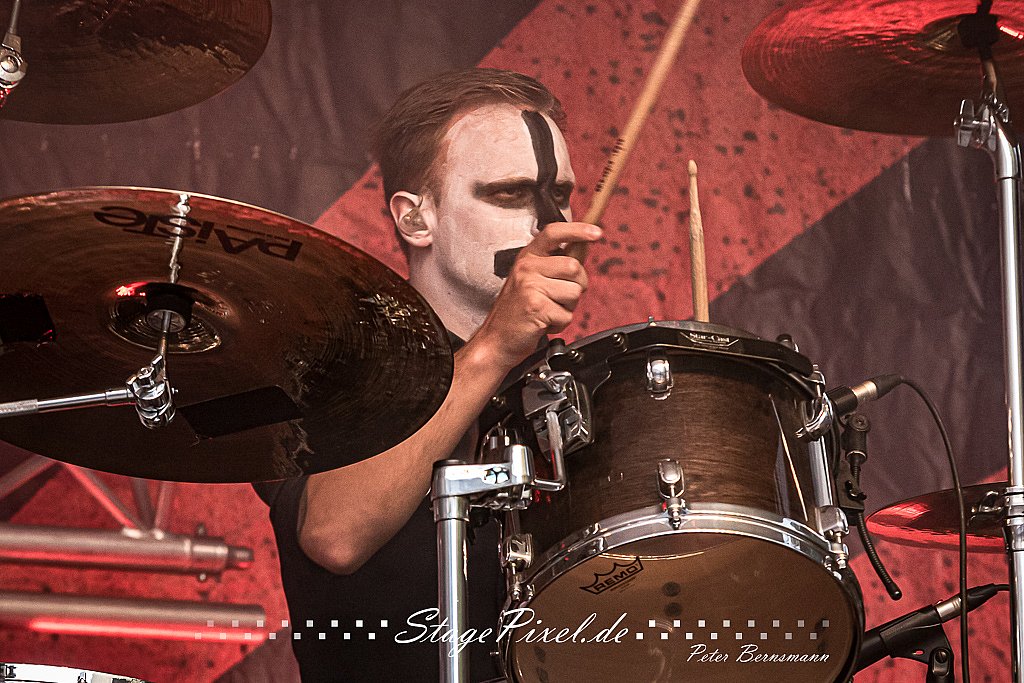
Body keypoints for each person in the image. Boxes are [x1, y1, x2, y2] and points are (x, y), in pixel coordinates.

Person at [255, 67, 602, 682]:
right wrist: (494, 347)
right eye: (509, 194)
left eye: (560, 193)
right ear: (416, 219)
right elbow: (334, 536)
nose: (548, 223)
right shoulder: (324, 366)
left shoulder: (585, 388)